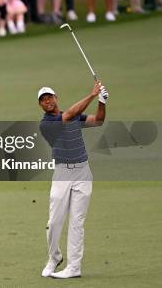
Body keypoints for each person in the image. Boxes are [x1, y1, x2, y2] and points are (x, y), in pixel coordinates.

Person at [38, 82, 108, 279]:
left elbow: (99, 121)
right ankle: (54, 258)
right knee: (54, 221)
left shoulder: (76, 115)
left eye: (49, 97)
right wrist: (93, 94)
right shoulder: (46, 124)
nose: (47, 101)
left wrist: (102, 102)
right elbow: (68, 115)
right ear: (40, 106)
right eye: (43, 100)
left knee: (77, 222)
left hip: (83, 173)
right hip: (62, 175)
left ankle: (74, 267)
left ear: (55, 97)